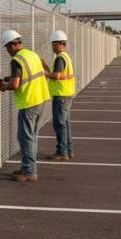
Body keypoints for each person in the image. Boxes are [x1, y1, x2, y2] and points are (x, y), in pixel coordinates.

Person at [0, 30, 50, 181]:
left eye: (6, 47)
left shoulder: (16, 60)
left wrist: (3, 86)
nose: (7, 51)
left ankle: (30, 172)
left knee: (25, 137)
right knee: (31, 136)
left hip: (29, 102)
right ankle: (27, 167)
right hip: (40, 98)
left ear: (12, 45)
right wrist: (9, 77)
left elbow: (14, 84)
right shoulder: (32, 54)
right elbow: (34, 73)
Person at [42, 29, 76, 161]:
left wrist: (44, 73)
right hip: (66, 93)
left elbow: (56, 76)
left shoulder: (60, 58)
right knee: (65, 123)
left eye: (53, 43)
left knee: (59, 124)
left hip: (61, 95)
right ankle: (68, 150)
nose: (52, 46)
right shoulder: (65, 56)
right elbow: (59, 74)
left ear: (59, 43)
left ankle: (62, 152)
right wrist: (46, 67)